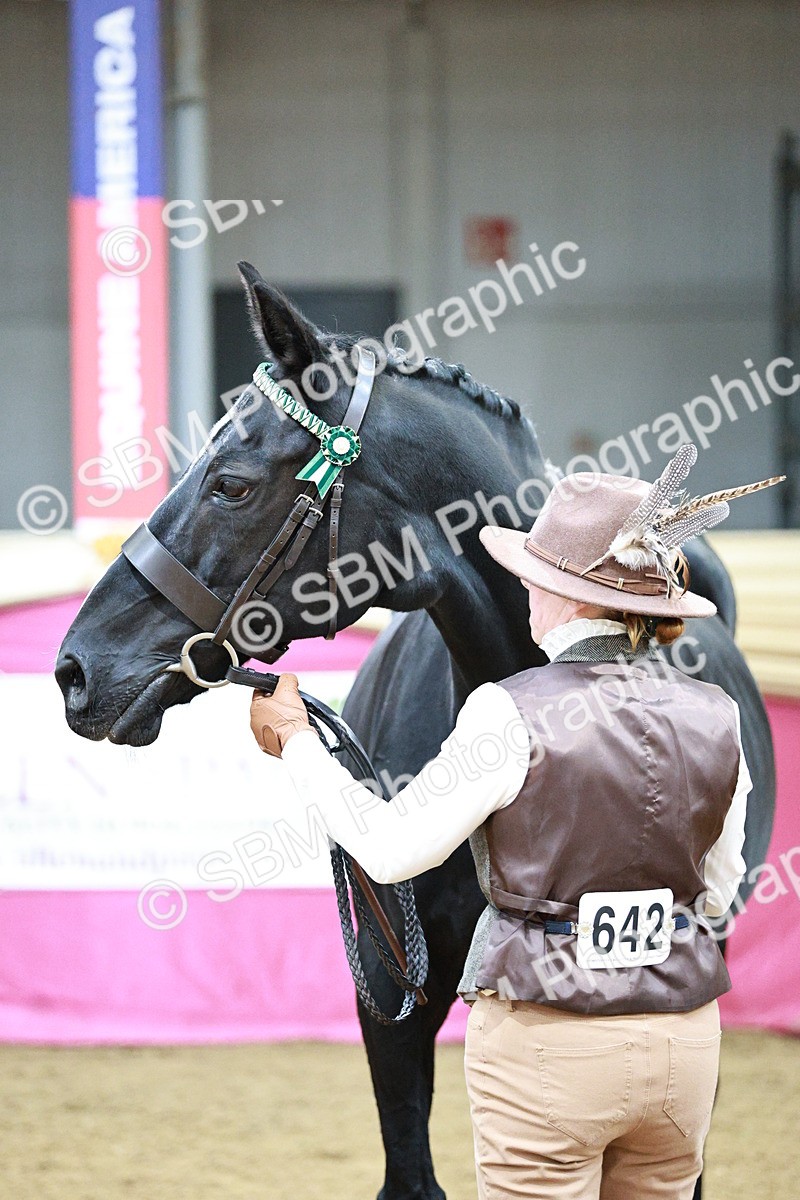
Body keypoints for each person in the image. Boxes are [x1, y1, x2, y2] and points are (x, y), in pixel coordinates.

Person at [248, 444, 781, 1200]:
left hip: (548, 1046)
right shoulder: (717, 714)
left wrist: (298, 742)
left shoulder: (509, 711)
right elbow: (720, 896)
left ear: (564, 597)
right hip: (683, 1046)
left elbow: (391, 850)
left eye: (534, 577)